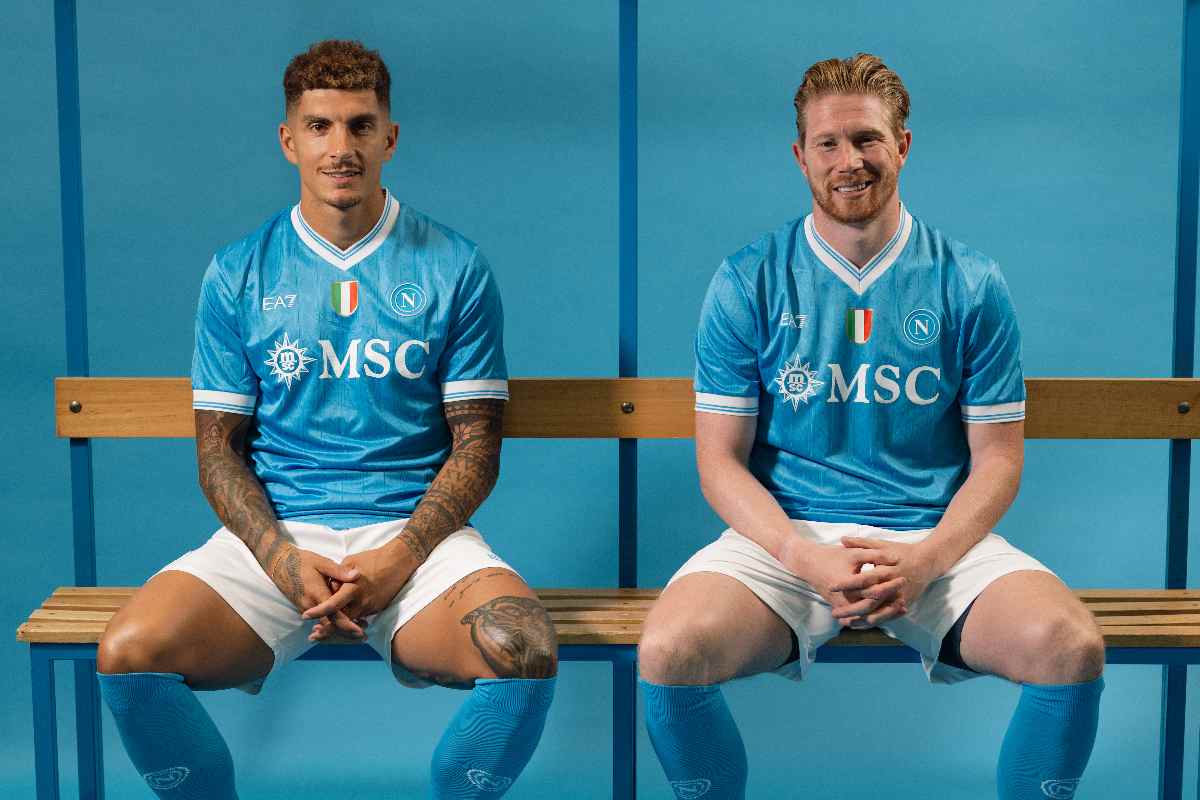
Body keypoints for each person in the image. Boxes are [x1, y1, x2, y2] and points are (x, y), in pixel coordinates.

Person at [95, 39, 557, 800]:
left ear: (390, 138)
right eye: (320, 126)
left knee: (524, 648)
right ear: (289, 140)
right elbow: (217, 451)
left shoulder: (454, 265)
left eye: (360, 125)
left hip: (414, 541)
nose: (341, 147)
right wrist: (283, 561)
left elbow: (478, 445)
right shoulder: (240, 271)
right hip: (279, 537)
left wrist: (399, 558)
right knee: (129, 654)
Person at [638, 53, 1104, 800]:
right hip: (788, 538)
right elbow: (720, 462)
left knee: (1069, 647)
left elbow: (998, 460)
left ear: (902, 146)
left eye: (866, 139)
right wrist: (802, 555)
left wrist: (925, 561)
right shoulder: (749, 278)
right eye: (827, 143)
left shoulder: (969, 281)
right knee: (669, 652)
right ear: (800, 156)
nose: (848, 160)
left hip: (932, 540)